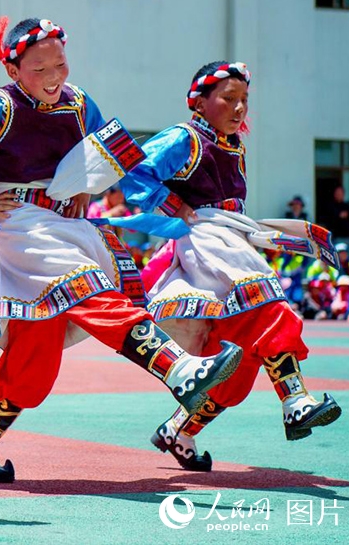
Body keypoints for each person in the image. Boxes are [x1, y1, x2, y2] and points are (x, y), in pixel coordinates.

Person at [0, 17, 243, 483]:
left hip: (69, 222)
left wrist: (111, 191)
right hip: (22, 224)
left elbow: (116, 155)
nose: (53, 77)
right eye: (39, 69)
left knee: (38, 350)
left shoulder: (78, 102)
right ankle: (180, 369)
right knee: (90, 291)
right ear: (13, 70)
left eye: (60, 64)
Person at [127, 61, 341, 472]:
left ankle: (178, 430)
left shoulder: (232, 147)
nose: (239, 108)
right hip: (204, 243)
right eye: (228, 98)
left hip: (229, 240)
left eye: (244, 99)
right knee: (271, 308)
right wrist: (177, 207)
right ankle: (295, 402)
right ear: (199, 101)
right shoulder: (186, 138)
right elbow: (134, 174)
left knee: (237, 365)